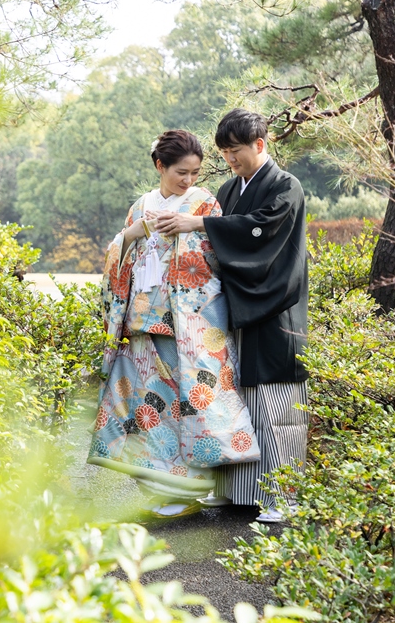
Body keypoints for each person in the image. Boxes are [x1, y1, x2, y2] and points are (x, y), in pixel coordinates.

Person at [88, 130, 261, 519]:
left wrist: (190, 229)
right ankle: (161, 487)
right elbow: (119, 254)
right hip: (140, 320)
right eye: (181, 172)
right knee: (149, 407)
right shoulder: (141, 205)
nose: (188, 181)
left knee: (190, 404)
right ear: (159, 166)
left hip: (189, 321)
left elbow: (221, 258)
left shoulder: (204, 203)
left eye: (195, 173)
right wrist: (131, 235)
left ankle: (186, 489)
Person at [153, 109, 309, 523]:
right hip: (233, 308)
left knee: (276, 407)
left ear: (260, 144)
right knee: (230, 399)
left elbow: (260, 230)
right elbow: (211, 248)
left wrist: (198, 222)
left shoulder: (286, 187)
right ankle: (234, 491)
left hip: (275, 309)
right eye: (224, 152)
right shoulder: (228, 187)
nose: (230, 159)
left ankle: (282, 496)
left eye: (235, 150)